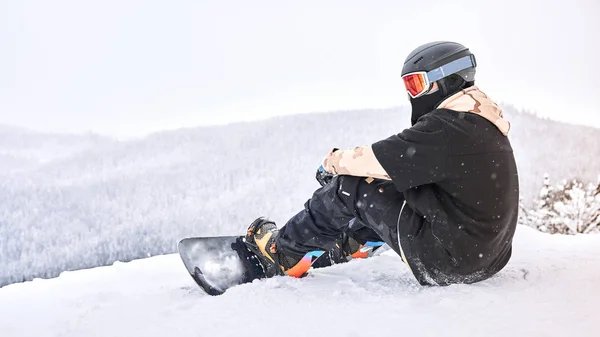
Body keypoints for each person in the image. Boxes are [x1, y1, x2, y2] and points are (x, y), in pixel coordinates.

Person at [244, 41, 519, 286]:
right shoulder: (482, 124)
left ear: (445, 80)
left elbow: (377, 158)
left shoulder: (447, 127)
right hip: (486, 258)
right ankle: (356, 244)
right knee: (396, 181)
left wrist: (332, 163)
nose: (413, 94)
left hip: (448, 263)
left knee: (349, 186)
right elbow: (400, 168)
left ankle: (284, 253)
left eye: (417, 84)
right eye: (408, 86)